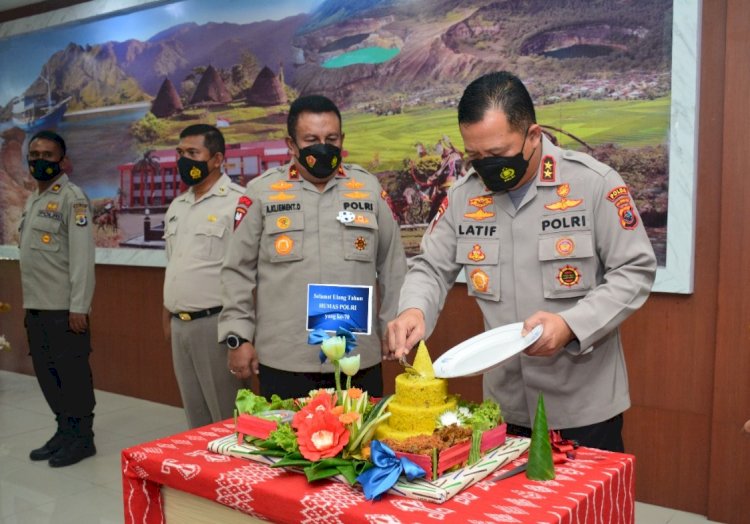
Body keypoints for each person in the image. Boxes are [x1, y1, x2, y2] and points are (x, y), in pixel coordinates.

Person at [387, 72, 657, 452]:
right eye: (475, 157)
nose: (486, 168)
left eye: (497, 155)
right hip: (505, 407)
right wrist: (414, 310)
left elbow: (635, 270)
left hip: (583, 407)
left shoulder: (592, 184)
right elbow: (431, 267)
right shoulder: (465, 197)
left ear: (533, 136)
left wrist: (569, 325)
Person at [218, 95, 407, 399]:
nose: (323, 146)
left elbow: (393, 265)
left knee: (359, 442)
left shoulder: (368, 189)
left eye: (331, 138)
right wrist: (238, 337)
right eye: (311, 139)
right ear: (291, 145)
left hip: (356, 357)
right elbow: (236, 271)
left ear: (342, 139)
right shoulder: (262, 193)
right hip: (286, 358)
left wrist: (393, 325)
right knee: (287, 445)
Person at [19, 130, 97, 467]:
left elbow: (82, 257)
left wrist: (79, 306)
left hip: (64, 310)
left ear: (62, 161)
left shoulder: (72, 198)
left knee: (73, 376)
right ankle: (63, 430)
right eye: (34, 154)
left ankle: (83, 439)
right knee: (47, 374)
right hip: (35, 305)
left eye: (47, 155)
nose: (39, 161)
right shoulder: (33, 197)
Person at [162, 124, 246, 428]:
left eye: (193, 153)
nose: (185, 160)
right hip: (180, 325)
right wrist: (167, 314)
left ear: (216, 159)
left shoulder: (238, 202)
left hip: (218, 326)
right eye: (181, 153)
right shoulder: (177, 206)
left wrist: (244, 335)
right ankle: (203, 474)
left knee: (227, 417)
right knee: (195, 416)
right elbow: (174, 263)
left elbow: (249, 271)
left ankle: (233, 475)